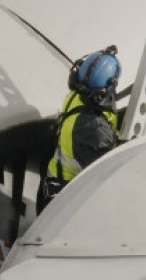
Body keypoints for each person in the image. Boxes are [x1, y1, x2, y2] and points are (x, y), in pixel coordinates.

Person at [38, 46, 121, 211]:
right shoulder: (93, 128)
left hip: (52, 190)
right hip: (63, 204)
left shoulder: (76, 96)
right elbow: (106, 176)